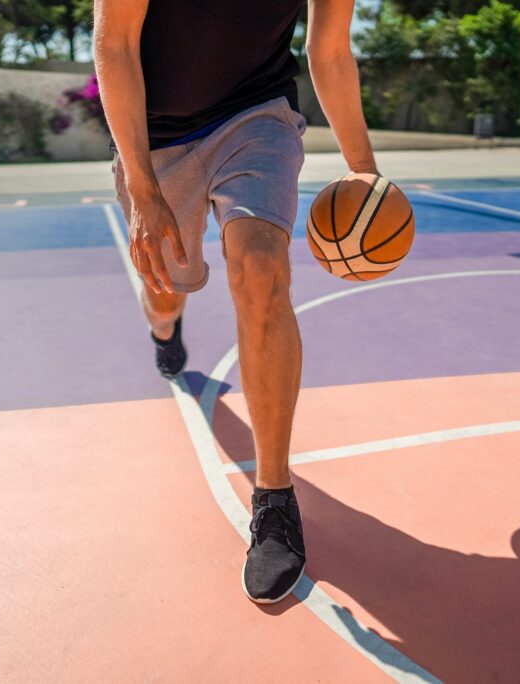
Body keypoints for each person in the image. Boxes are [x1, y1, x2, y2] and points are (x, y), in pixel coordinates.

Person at [94, 0, 378, 604]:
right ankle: (166, 329)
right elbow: (115, 44)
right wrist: (143, 188)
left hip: (257, 116)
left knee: (261, 269)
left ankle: (274, 499)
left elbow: (328, 51)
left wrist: (364, 173)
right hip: (158, 139)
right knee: (165, 291)